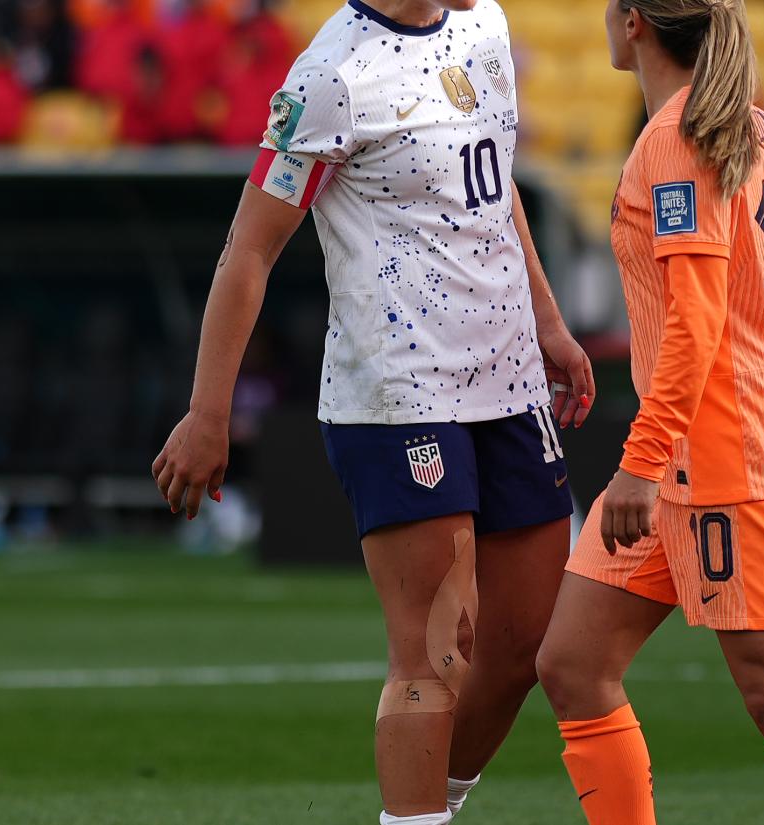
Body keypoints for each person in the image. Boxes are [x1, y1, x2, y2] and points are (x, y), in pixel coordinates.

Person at [148, 1, 596, 822]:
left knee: (524, 643)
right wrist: (207, 411)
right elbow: (250, 249)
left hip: (509, 381)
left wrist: (548, 321)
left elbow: (496, 188)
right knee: (437, 651)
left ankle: (429, 807)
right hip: (401, 393)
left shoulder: (487, 27)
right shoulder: (330, 78)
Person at [534, 1, 764, 822]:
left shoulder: (677, 138)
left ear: (634, 23)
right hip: (698, 452)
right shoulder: (759, 129)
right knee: (573, 663)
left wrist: (644, 460)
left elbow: (697, 318)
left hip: (725, 463)